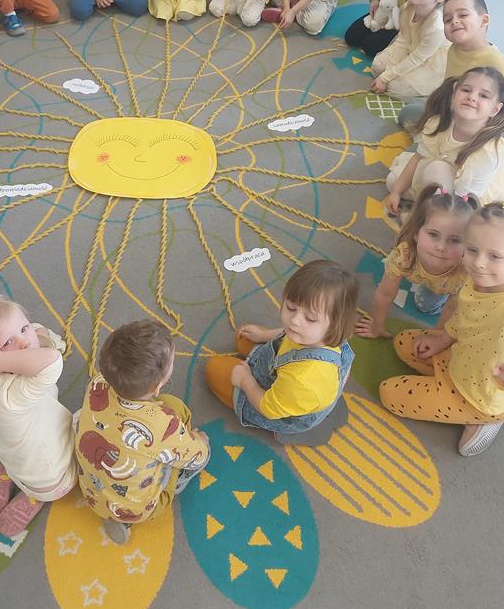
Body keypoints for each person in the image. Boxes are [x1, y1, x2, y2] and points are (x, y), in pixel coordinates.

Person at [380, 202, 504, 457]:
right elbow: (466, 316)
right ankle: (447, 384)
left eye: (494, 256)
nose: (478, 263)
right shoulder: (487, 277)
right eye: (472, 250)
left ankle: (484, 418)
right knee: (403, 342)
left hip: (480, 393)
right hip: (464, 358)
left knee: (390, 394)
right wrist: (443, 339)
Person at [75, 319, 210, 544]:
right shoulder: (162, 425)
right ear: (156, 387)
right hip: (138, 508)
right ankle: (133, 515)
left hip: (92, 492)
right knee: (181, 416)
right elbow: (196, 456)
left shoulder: (97, 384)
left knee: (163, 415)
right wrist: (200, 443)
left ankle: (115, 514)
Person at [204, 260, 358, 443]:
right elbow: (287, 334)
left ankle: (297, 432)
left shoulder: (302, 380)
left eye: (310, 318)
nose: (295, 321)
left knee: (214, 368)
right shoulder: (320, 335)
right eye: (291, 307)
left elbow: (267, 408)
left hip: (279, 406)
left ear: (335, 325)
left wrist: (245, 380)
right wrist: (263, 335)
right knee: (243, 339)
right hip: (292, 379)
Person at [0, 297, 76, 536]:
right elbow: (52, 360)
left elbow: (35, 340)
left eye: (24, 329)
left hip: (11, 453)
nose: (25, 342)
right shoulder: (14, 393)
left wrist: (2, 354)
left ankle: (8, 473)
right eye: (7, 342)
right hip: (50, 475)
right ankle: (34, 496)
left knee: (15, 454)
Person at [385, 67, 504, 213]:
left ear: (495, 110)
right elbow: (418, 158)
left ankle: (434, 209)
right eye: (466, 90)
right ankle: (434, 199)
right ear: (453, 97)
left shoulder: (488, 153)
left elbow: (468, 203)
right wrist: (396, 192)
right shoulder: (439, 123)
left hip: (471, 199)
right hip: (445, 176)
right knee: (393, 182)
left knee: (436, 170)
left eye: (483, 95)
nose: (472, 97)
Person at [356, 185, 480, 339]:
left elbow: (451, 310)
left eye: (454, 240)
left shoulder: (465, 276)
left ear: (468, 246)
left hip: (446, 285)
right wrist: (377, 326)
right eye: (433, 234)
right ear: (416, 233)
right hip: (418, 270)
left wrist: (436, 338)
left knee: (425, 305)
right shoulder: (403, 255)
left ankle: (437, 292)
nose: (441, 247)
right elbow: (385, 293)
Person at [398, 0, 504, 132]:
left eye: (463, 15)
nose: (454, 21)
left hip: (474, 123)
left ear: (484, 20)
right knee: (408, 113)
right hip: (452, 110)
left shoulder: (496, 61)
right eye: (447, 19)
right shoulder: (453, 49)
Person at [370, 0, 458, 98]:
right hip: (412, 47)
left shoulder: (436, 27)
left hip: (430, 61)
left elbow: (417, 58)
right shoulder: (408, 7)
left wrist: (386, 78)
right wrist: (388, 73)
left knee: (395, 87)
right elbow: (402, 40)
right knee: (378, 66)